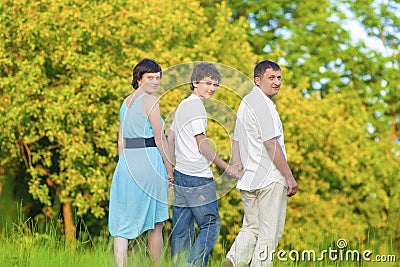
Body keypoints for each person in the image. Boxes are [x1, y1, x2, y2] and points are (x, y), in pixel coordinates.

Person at [222, 60, 298, 267]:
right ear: (257, 80)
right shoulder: (264, 106)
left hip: (249, 179)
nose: (277, 82)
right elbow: (271, 144)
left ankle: (233, 260)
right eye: (271, 78)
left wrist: (236, 164)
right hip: (270, 179)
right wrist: (289, 176)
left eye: (279, 78)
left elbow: (236, 138)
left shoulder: (246, 102)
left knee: (251, 227)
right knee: (268, 234)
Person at [167, 62, 243, 267]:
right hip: (198, 177)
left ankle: (179, 264)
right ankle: (192, 265)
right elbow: (203, 146)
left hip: (181, 175)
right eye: (208, 83)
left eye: (215, 84)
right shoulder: (196, 108)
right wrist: (227, 168)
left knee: (181, 230)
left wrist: (170, 170)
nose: (212, 88)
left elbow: (171, 139)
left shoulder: (182, 105)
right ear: (195, 82)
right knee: (210, 224)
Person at [108, 58, 173, 267]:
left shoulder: (125, 103)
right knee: (156, 222)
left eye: (158, 78)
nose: (155, 82)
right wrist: (170, 168)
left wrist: (123, 164)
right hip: (149, 160)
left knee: (122, 221)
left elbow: (121, 140)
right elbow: (159, 138)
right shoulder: (150, 101)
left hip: (127, 162)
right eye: (150, 78)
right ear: (139, 79)